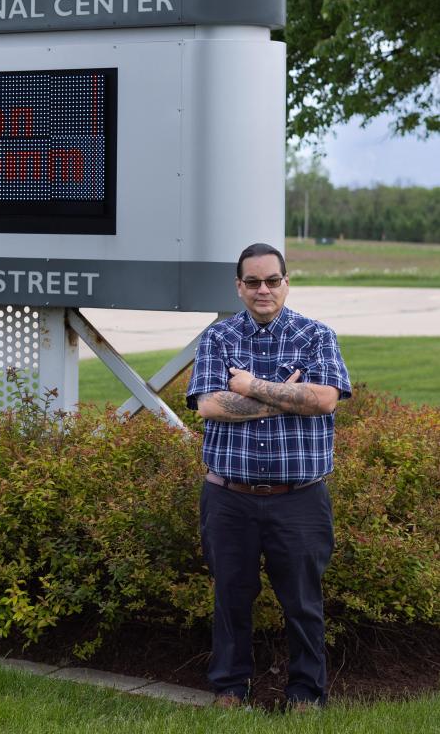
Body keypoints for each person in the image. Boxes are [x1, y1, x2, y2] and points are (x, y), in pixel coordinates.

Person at [186, 242, 351, 709]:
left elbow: (323, 399)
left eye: (272, 280)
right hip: (228, 497)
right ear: (239, 286)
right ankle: (230, 688)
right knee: (231, 598)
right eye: (253, 281)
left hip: (299, 498)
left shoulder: (316, 336)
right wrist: (283, 393)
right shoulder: (218, 339)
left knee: (302, 603)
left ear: (286, 282)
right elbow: (209, 406)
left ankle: (305, 694)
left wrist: (248, 386)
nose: (263, 290)